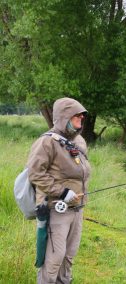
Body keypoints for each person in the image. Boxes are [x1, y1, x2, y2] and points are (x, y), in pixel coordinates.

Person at [27, 97, 91, 283]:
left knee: (69, 256)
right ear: (64, 117)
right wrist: (63, 192)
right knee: (54, 259)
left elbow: (81, 171)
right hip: (56, 209)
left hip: (77, 208)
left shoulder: (79, 142)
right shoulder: (46, 142)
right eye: (76, 116)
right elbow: (35, 173)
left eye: (82, 116)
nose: (80, 119)